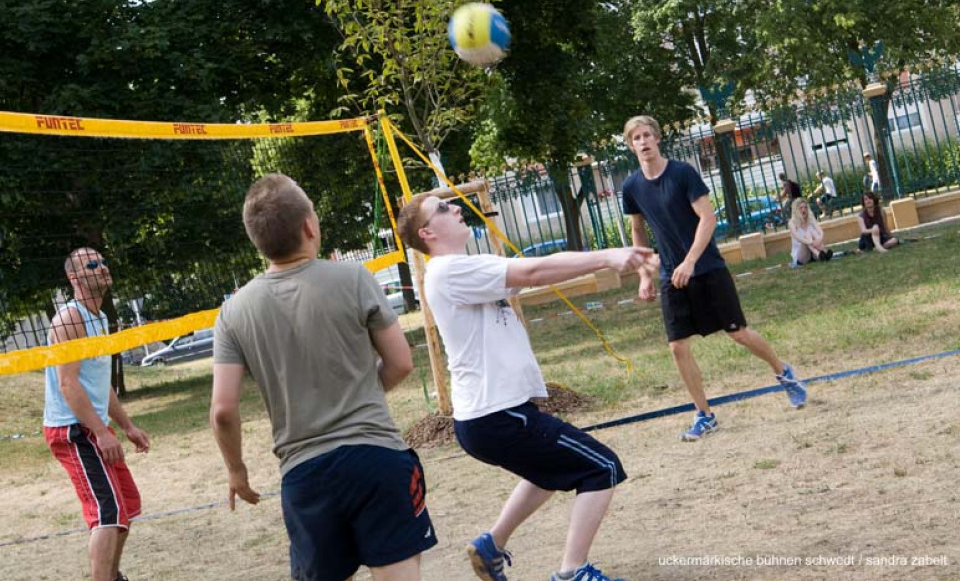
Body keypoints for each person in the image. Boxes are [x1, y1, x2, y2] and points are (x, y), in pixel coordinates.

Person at [397, 195, 656, 581]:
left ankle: (491, 545)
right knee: (602, 468)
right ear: (427, 232)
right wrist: (608, 256)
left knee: (547, 472)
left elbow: (537, 273)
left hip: (492, 416)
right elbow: (533, 272)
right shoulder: (448, 271)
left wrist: (613, 261)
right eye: (443, 208)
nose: (456, 208)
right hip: (496, 416)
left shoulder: (460, 269)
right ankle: (572, 572)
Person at [211, 174, 437, 581]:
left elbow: (223, 411)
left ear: (257, 241)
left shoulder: (234, 311)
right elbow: (401, 363)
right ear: (309, 226)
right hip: (377, 458)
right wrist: (361, 392)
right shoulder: (353, 278)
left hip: (304, 473)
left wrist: (236, 471)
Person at [621, 115, 807, 442]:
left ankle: (784, 372)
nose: (644, 141)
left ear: (658, 138)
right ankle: (704, 415)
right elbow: (638, 229)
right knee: (678, 346)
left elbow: (708, 217)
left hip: (706, 268)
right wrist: (644, 275)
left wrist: (691, 261)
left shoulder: (682, 173)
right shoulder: (632, 186)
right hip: (670, 274)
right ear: (630, 145)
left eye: (648, 134)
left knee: (739, 333)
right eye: (637, 138)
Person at [44, 247, 151, 581]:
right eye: (93, 264)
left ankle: (112, 575)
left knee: (127, 505)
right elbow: (68, 384)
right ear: (74, 278)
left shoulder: (100, 317)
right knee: (108, 512)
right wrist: (101, 433)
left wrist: (126, 426)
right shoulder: (70, 318)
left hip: (93, 424)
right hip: (72, 430)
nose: (103, 267)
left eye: (103, 262)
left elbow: (99, 383)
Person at [788, 197, 832, 266]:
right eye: (801, 208)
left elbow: (821, 232)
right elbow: (797, 237)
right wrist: (811, 242)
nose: (804, 210)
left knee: (812, 232)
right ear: (796, 210)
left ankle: (822, 252)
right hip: (802, 256)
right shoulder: (792, 222)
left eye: (805, 207)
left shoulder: (810, 218)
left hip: (814, 251)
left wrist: (819, 240)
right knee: (807, 234)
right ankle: (823, 251)